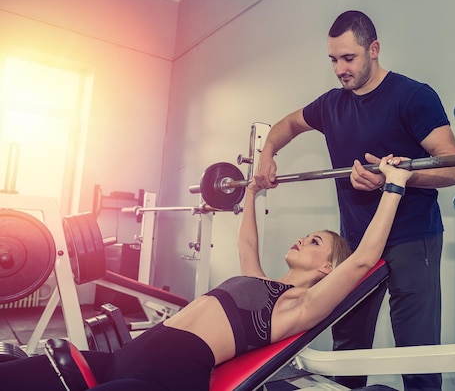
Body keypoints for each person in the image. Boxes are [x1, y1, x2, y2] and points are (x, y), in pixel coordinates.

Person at [0, 155, 410, 391]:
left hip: (163, 380)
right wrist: (250, 191)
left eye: (316, 242)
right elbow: (246, 243)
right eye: (308, 235)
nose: (303, 239)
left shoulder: (297, 307)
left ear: (326, 269)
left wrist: (394, 186)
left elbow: (362, 260)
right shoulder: (260, 280)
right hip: (120, 360)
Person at [254, 10, 455, 391]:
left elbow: (454, 169)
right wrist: (267, 152)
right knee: (348, 345)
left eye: (348, 58)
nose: (340, 69)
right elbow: (286, 125)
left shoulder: (413, 96)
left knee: (414, 352)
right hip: (354, 244)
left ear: (374, 49)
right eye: (333, 60)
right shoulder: (331, 104)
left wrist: (396, 178)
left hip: (412, 237)